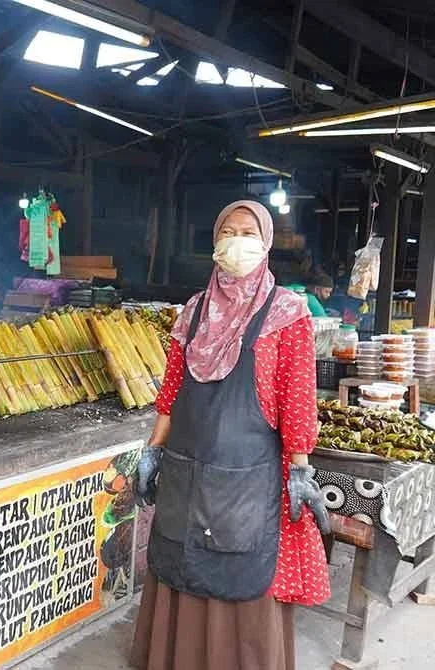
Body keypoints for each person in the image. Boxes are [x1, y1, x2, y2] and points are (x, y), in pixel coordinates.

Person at [129, 200, 331, 670]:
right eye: (228, 231)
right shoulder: (195, 311)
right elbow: (172, 389)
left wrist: (301, 469)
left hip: (250, 476)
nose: (237, 241)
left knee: (240, 568)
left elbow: (298, 399)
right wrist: (152, 450)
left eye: (248, 232)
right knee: (179, 559)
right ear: (216, 243)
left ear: (264, 244)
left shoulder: (287, 312)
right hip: (185, 466)